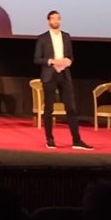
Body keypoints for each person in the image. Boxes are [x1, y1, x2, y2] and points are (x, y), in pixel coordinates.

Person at [33, 10, 92, 149]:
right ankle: (50, 139)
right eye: (53, 19)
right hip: (49, 75)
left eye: (58, 18)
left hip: (64, 74)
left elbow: (71, 56)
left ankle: (77, 140)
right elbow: (37, 59)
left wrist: (69, 61)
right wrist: (52, 61)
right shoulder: (42, 38)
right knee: (49, 109)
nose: (56, 21)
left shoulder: (66, 36)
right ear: (48, 21)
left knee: (71, 108)